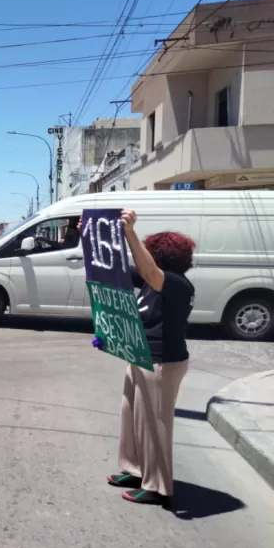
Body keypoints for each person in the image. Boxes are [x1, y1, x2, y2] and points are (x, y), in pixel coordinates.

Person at [106, 209, 196, 505]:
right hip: (141, 355)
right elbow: (112, 267)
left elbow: (147, 270)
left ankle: (157, 486)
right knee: (131, 415)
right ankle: (135, 469)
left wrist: (130, 233)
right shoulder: (151, 280)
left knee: (155, 423)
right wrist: (94, 235)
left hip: (162, 362)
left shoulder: (176, 284)